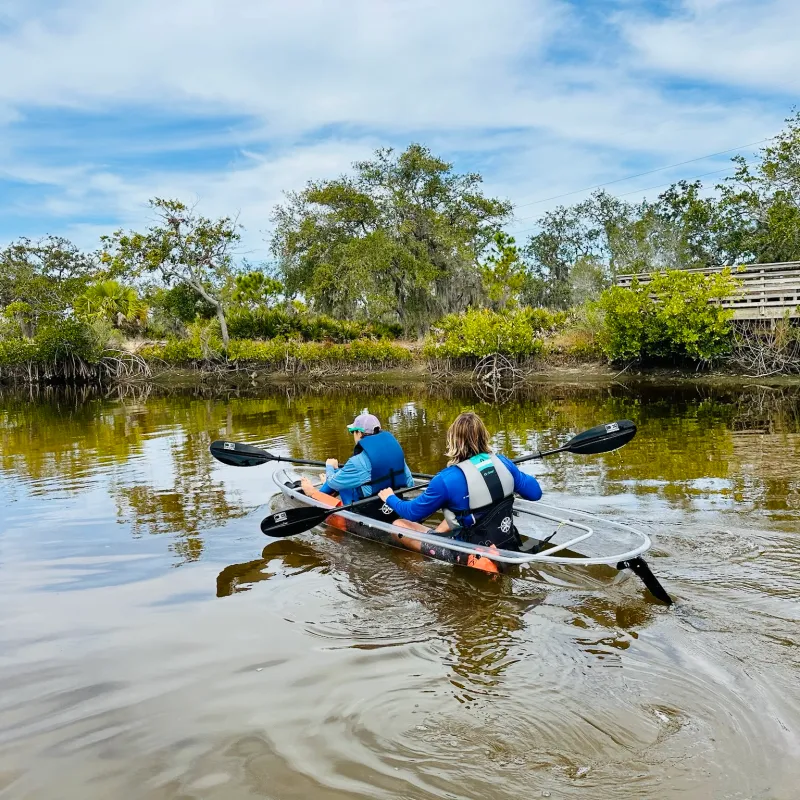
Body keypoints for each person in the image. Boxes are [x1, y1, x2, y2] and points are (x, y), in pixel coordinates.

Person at [377, 411, 542, 554]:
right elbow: (535, 493)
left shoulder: (445, 479)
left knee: (398, 525)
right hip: (506, 541)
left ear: (454, 442)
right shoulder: (503, 463)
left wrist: (390, 498)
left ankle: (417, 566)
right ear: (484, 437)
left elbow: (412, 513)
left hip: (469, 551)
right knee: (458, 513)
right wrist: (509, 471)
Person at [299, 411, 417, 523]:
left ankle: (313, 494)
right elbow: (410, 483)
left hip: (369, 513)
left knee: (338, 482)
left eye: (353, 432)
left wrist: (330, 467)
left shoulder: (357, 462)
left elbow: (333, 482)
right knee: (344, 477)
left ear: (359, 433)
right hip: (394, 504)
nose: (353, 435)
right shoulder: (395, 453)